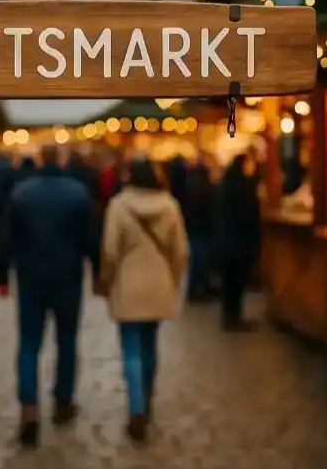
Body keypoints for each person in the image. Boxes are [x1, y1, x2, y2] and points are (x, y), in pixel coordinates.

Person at [0, 145, 100, 448]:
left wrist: (2, 277)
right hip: (68, 278)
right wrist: (98, 271)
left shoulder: (22, 192)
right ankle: (63, 401)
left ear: (41, 161)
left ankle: (29, 408)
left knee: (28, 344)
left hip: (31, 278)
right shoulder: (77, 192)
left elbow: (6, 238)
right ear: (62, 160)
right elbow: (90, 239)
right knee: (66, 340)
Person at [99, 158, 188, 443]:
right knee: (150, 343)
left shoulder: (119, 206)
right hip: (159, 283)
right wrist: (173, 279)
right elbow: (181, 251)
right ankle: (148, 397)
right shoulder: (170, 205)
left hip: (128, 284)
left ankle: (136, 407)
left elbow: (110, 251)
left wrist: (107, 279)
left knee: (130, 348)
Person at [217, 153, 261, 331]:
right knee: (237, 282)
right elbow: (249, 215)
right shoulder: (244, 188)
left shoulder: (223, 186)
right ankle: (234, 317)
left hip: (225, 241)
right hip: (240, 243)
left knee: (229, 283)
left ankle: (229, 317)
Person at [183, 155, 217, 302]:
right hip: (201, 227)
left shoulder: (192, 184)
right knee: (200, 259)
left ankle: (197, 287)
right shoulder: (204, 187)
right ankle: (196, 288)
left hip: (195, 226)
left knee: (197, 259)